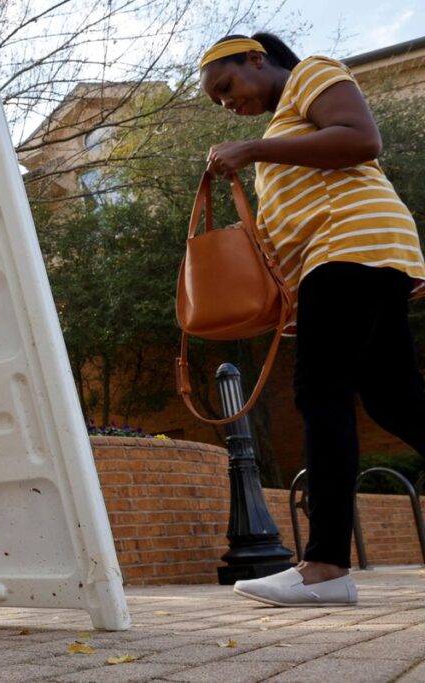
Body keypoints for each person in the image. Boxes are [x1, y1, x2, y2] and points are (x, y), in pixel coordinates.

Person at [199, 33, 425, 606]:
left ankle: (325, 566)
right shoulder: (280, 132)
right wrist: (295, 300)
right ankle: (326, 567)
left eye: (226, 87)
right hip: (351, 258)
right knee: (395, 402)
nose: (227, 103)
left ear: (257, 58)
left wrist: (251, 150)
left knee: (320, 396)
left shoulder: (310, 74)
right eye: (218, 102)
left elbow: (360, 139)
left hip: (351, 248)